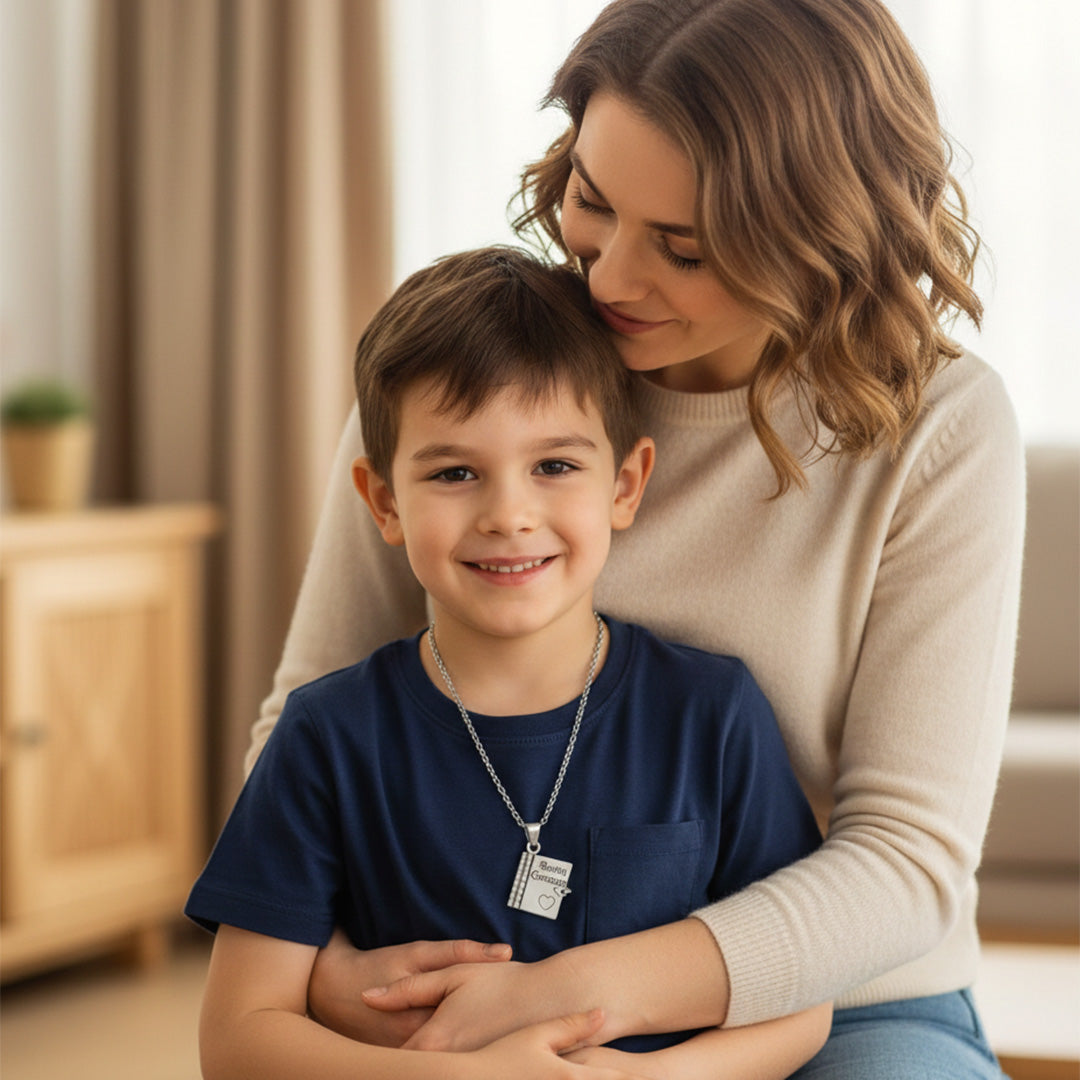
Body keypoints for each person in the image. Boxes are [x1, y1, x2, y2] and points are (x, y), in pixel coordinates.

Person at [248, 1, 1025, 1076]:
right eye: (592, 203)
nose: (610, 279)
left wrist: (566, 1004)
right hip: (452, 998)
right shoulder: (469, 377)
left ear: (823, 235)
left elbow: (904, 859)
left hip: (835, 1005)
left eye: (685, 247)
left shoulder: (937, 424)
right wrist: (336, 977)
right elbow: (308, 715)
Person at [187, 246, 832, 1080]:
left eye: (554, 466)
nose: (509, 515)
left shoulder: (712, 712)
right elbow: (239, 1037)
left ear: (626, 485)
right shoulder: (326, 735)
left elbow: (802, 1000)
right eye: (455, 472)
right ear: (384, 502)